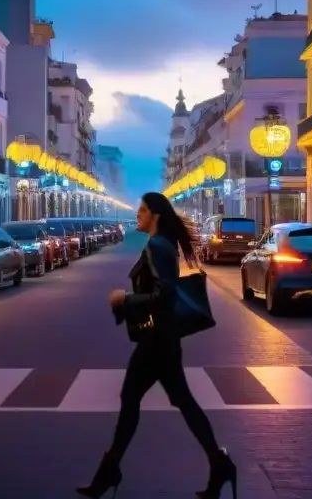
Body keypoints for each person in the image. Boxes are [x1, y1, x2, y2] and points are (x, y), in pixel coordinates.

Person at [77, 192, 236, 499]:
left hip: (157, 341)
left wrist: (126, 299)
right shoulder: (162, 245)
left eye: (142, 210)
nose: (137, 214)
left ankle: (110, 471)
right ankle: (219, 464)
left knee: (133, 399)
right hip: (163, 340)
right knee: (179, 401)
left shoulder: (157, 246)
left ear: (155, 216)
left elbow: (167, 295)